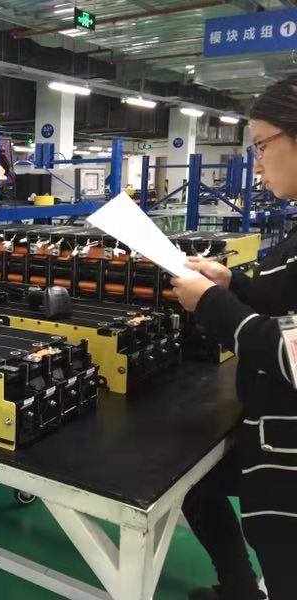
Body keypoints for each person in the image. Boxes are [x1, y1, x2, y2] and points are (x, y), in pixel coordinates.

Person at [172, 76, 297, 600]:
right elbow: (287, 299)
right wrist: (232, 283)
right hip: (269, 429)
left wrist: (211, 303)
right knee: (196, 486)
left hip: (288, 454)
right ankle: (240, 587)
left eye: (262, 145)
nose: (257, 164)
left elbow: (291, 353)